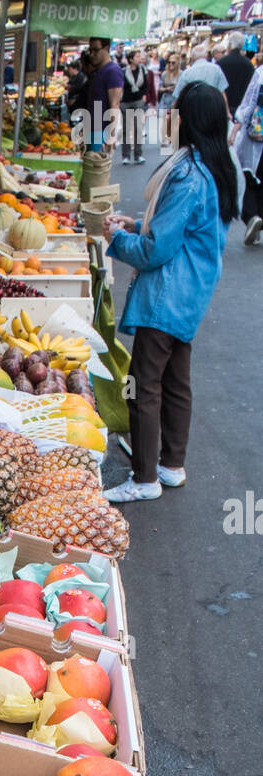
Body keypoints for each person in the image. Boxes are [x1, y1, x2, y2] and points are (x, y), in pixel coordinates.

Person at [102, 83, 239, 503]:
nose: (168, 119)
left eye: (174, 113)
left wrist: (119, 238)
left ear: (189, 122)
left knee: (143, 386)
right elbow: (179, 233)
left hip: (165, 296)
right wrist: (139, 226)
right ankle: (171, 465)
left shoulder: (188, 175)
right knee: (176, 381)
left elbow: (157, 250)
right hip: (190, 296)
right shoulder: (216, 169)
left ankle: (144, 478)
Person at [79, 37, 125, 203]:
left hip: (101, 132)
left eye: (95, 50)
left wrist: (111, 133)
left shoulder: (112, 71)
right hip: (93, 129)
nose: (92, 54)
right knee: (91, 176)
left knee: (96, 178)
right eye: (90, 50)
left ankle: (96, 211)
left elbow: (114, 104)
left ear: (106, 48)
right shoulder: (100, 71)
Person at [230, 61, 263, 244]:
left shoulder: (260, 73)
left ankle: (252, 216)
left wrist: (238, 125)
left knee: (247, 177)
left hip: (255, 136)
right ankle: (258, 220)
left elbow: (249, 103)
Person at [168, 42, 228, 109]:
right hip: (213, 111)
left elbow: (178, 99)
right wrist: (227, 113)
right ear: (206, 56)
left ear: (192, 57)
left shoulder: (186, 74)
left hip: (192, 113)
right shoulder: (216, 69)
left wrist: (173, 118)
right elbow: (223, 95)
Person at [218, 31, 255, 117]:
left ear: (230, 45)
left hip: (223, 108)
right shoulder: (249, 65)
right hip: (241, 108)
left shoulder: (221, 63)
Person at [121, 50, 147, 164]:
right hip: (126, 102)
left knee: (138, 128)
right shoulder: (123, 72)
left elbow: (146, 85)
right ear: (131, 59)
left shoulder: (143, 71)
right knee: (126, 129)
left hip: (138, 101)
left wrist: (144, 96)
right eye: (137, 56)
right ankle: (126, 156)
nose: (139, 58)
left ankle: (138, 155)